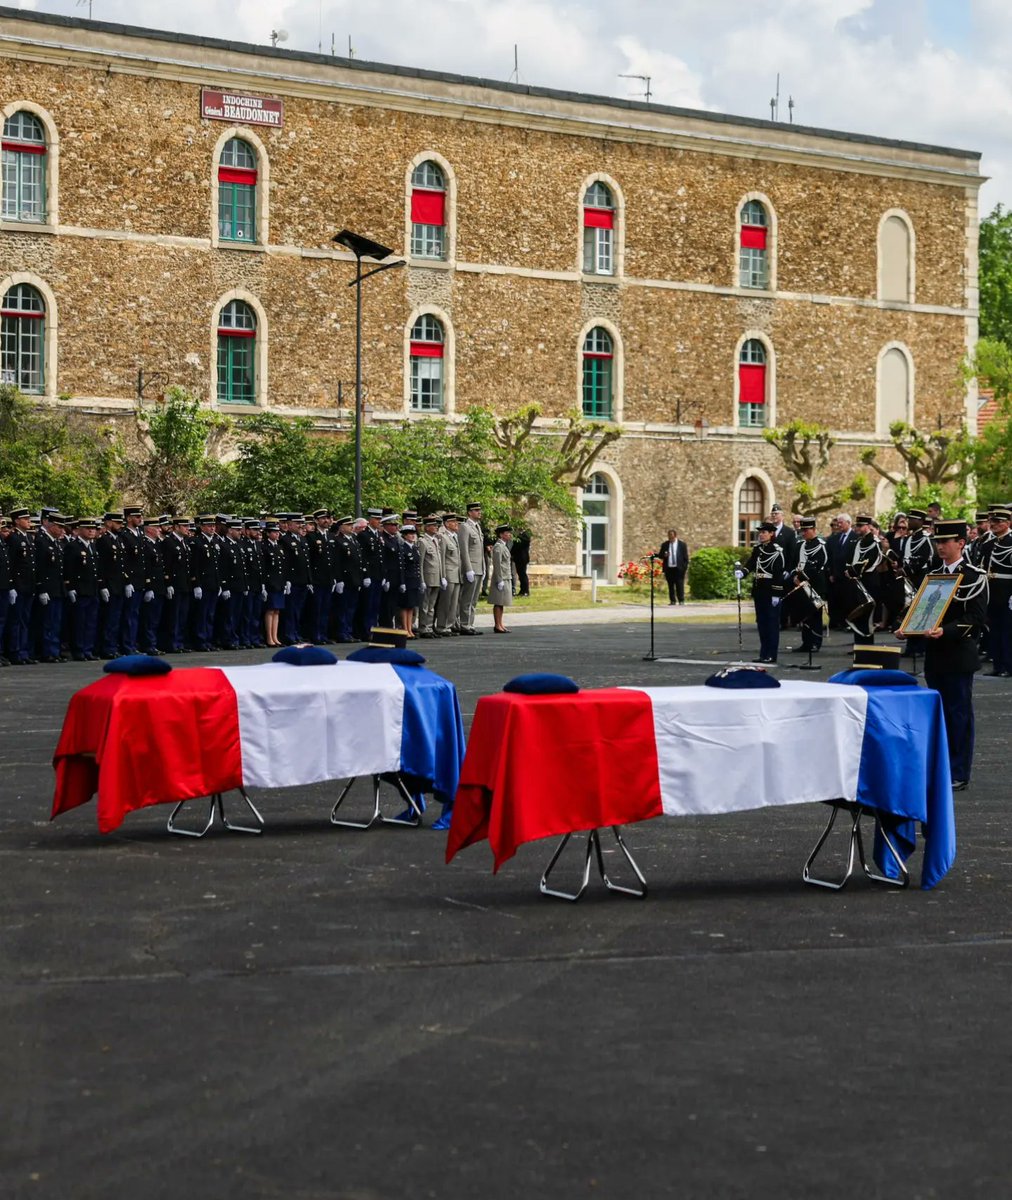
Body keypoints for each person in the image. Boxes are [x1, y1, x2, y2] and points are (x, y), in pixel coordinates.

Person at [897, 519, 988, 790]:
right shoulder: (933, 574)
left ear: (961, 543)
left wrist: (944, 631)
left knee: (958, 714)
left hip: (958, 654)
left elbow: (975, 618)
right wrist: (905, 627)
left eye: (945, 541)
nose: (940, 546)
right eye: (937, 541)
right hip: (935, 655)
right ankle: (940, 767)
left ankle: (959, 771)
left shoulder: (974, 576)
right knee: (937, 714)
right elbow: (920, 608)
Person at [737, 521, 786, 663]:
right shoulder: (758, 549)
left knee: (771, 624)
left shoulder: (777, 551)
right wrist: (743, 572)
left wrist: (777, 594)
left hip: (771, 591)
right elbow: (751, 563)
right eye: (760, 532)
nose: (761, 535)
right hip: (759, 591)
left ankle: (771, 654)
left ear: (771, 534)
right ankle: (763, 653)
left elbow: (778, 574)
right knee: (762, 623)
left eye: (764, 532)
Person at [787, 517, 827, 653]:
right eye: (802, 530)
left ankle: (816, 642)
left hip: (815, 585)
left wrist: (802, 577)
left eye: (806, 530)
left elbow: (819, 565)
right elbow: (793, 563)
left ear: (814, 529)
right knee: (804, 614)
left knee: (815, 614)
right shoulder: (800, 545)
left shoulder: (821, 545)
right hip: (800, 585)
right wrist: (794, 576)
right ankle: (806, 642)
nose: (803, 533)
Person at [982, 505, 1012, 676]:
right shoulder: (990, 544)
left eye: (998, 521)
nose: (993, 524)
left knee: (1007, 631)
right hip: (991, 591)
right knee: (994, 629)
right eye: (992, 521)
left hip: (1007, 591)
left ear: (1007, 523)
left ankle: (1009, 665)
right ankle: (998, 665)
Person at [457, 502, 485, 636]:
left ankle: (470, 623)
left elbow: (479, 551)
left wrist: (483, 568)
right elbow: (464, 550)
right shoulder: (465, 527)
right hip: (471, 568)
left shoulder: (477, 527)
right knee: (467, 598)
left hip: (479, 568)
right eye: (476, 510)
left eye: (479, 510)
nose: (479, 512)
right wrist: (468, 568)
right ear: (469, 512)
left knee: (474, 599)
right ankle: (464, 624)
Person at [417, 515, 445, 638]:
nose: (436, 527)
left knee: (431, 606)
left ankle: (429, 627)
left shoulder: (436, 541)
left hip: (436, 578)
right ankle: (423, 627)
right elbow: (421, 563)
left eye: (436, 525)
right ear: (427, 527)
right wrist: (421, 580)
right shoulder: (422, 542)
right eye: (433, 525)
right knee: (424, 605)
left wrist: (442, 577)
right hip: (427, 578)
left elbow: (439, 561)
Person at [435, 513, 462, 636]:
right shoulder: (443, 537)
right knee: (445, 602)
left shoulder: (455, 537)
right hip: (449, 573)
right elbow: (442, 558)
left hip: (457, 573)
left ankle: (449, 625)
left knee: (453, 602)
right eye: (453, 522)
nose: (456, 524)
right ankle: (441, 625)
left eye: (456, 521)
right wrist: (443, 576)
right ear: (446, 524)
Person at [398, 524, 423, 638]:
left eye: (414, 534)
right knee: (405, 605)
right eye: (410, 534)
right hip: (407, 580)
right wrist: (402, 582)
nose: (412, 536)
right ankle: (405, 629)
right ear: (404, 536)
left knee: (411, 606)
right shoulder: (403, 549)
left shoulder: (414, 548)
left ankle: (409, 629)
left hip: (414, 580)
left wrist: (420, 580)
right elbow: (402, 567)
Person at [489, 524, 513, 633]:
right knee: (498, 602)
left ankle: (500, 624)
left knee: (502, 602)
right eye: (507, 533)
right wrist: (499, 579)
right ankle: (497, 625)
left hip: (505, 576)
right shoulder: (498, 546)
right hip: (501, 577)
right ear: (501, 534)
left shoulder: (504, 546)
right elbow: (497, 564)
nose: (509, 534)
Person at [656, 527, 690, 605]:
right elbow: (660, 556)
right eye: (669, 536)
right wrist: (664, 555)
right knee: (670, 585)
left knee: (679, 584)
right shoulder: (665, 544)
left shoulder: (682, 545)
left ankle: (681, 600)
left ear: (675, 536)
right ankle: (672, 601)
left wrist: (684, 568)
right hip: (669, 568)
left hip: (679, 568)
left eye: (672, 536)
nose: (670, 538)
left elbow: (685, 557)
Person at [510, 529, 531, 597]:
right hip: (517, 558)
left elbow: (524, 542)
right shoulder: (517, 536)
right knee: (520, 575)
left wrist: (517, 536)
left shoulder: (525, 535)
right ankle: (522, 590)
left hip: (523, 558)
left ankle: (526, 591)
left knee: (523, 575)